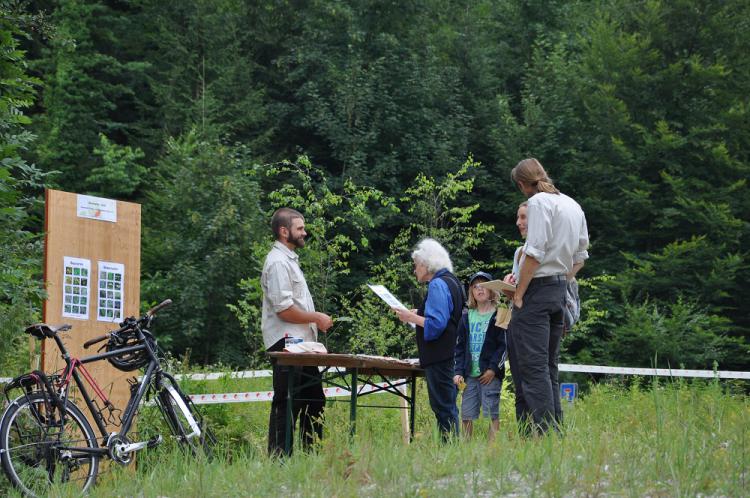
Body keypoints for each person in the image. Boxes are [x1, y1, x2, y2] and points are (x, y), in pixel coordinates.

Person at [505, 158, 589, 435]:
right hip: (558, 292)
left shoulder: (539, 203)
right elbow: (580, 257)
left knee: (532, 368)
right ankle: (555, 432)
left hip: (537, 292)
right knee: (549, 367)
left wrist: (519, 293)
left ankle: (543, 433)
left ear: (521, 184)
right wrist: (560, 281)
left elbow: (535, 252)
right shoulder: (572, 204)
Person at [261, 207, 334, 456]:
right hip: (287, 344)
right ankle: (280, 459)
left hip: (302, 344)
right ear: (284, 232)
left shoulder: (288, 260)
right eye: (300, 228)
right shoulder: (278, 262)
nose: (305, 232)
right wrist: (316, 317)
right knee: (287, 403)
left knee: (313, 402)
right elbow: (283, 310)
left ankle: (311, 457)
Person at [392, 238, 463, 439]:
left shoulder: (437, 284)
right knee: (448, 406)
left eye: (416, 266)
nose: (414, 270)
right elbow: (446, 316)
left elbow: (436, 324)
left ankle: (449, 449)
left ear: (425, 264)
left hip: (440, 357)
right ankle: (452, 448)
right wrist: (419, 312)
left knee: (443, 407)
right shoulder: (452, 281)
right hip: (452, 354)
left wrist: (410, 317)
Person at [453, 271, 507, 442]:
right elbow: (459, 347)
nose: (479, 289)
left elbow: (504, 346)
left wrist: (493, 369)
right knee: (466, 414)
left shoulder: (501, 313)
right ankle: (467, 449)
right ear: (471, 292)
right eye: (475, 286)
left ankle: (492, 450)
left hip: (490, 374)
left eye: (484, 286)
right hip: (469, 374)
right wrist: (458, 371)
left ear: (492, 290)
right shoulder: (466, 316)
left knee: (492, 412)